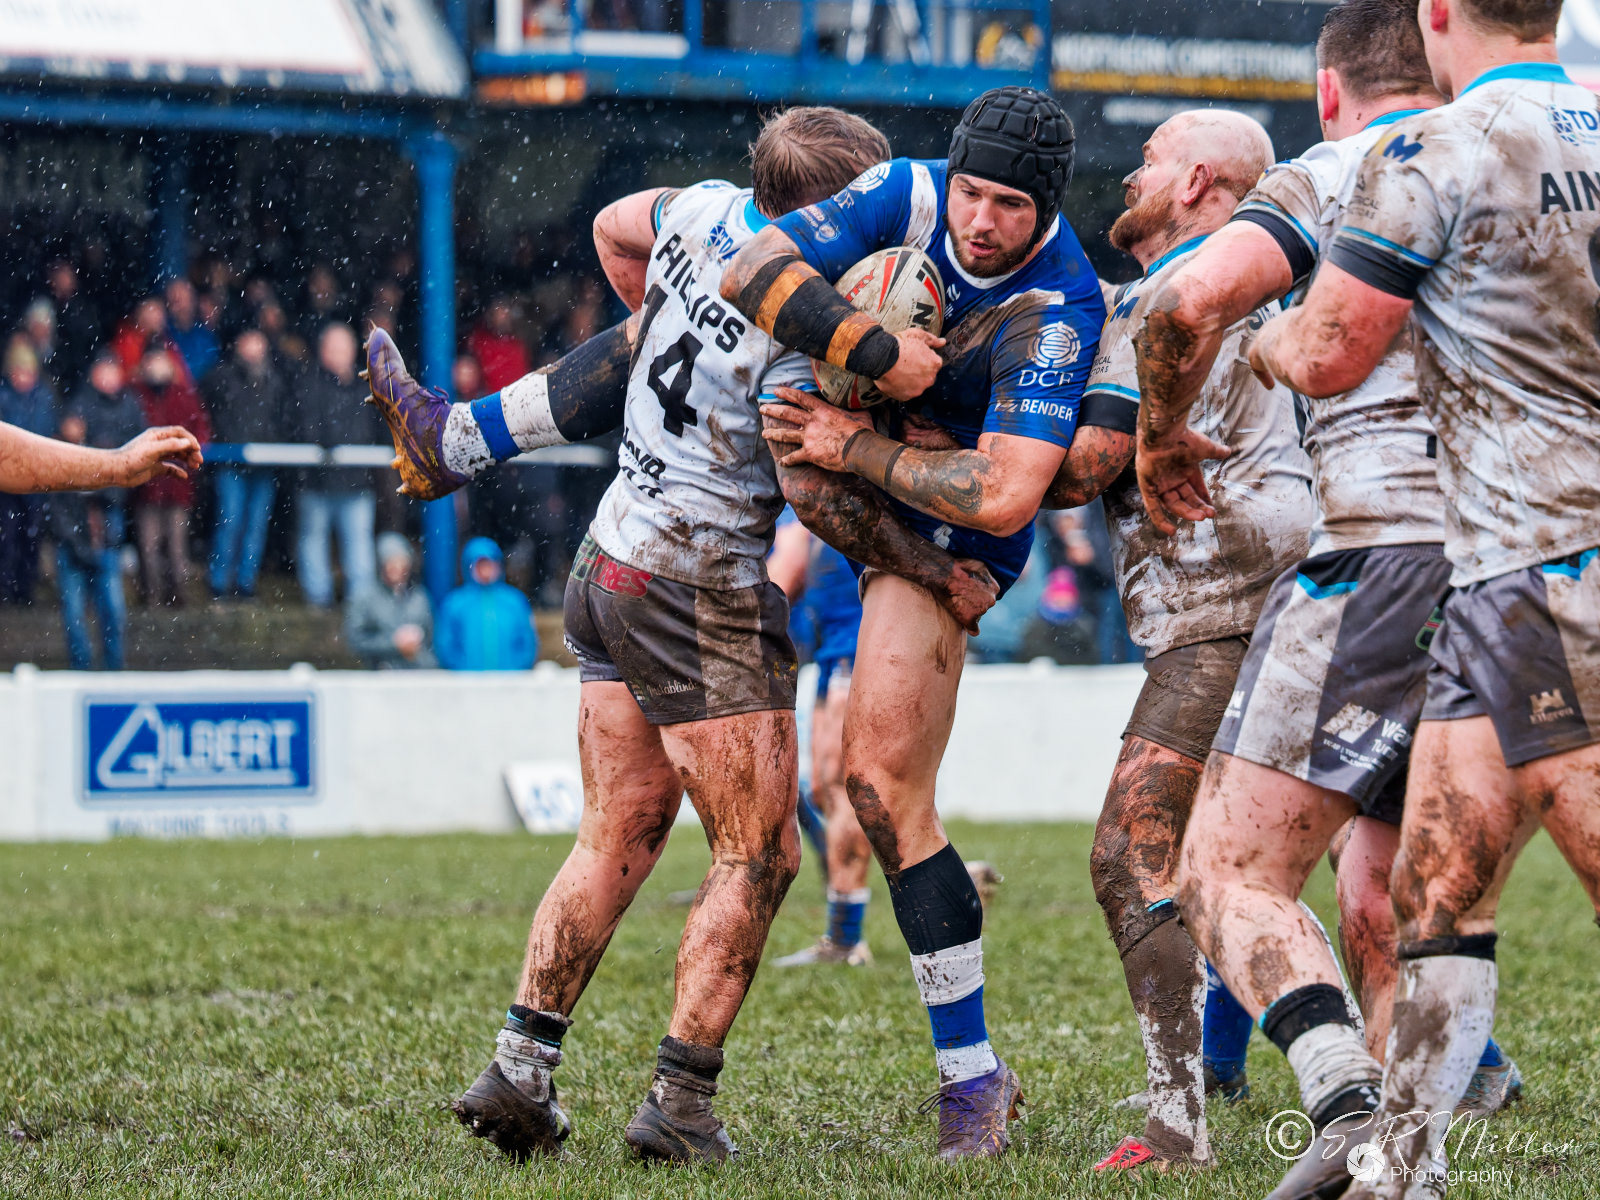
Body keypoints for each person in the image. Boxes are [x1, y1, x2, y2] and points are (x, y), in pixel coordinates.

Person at [368, 107, 996, 1166]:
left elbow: (615, 226)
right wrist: (936, 566)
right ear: (829, 213)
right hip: (694, 582)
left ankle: (519, 1071)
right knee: (760, 852)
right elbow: (814, 496)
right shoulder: (807, 319)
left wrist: (668, 324)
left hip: (607, 555)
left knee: (616, 830)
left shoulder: (701, 212)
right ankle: (680, 1102)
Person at [1226, 1, 1600, 1192]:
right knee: (1433, 887)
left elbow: (1327, 353)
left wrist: (1264, 341)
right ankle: (1403, 1165)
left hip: (1549, 560)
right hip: (1493, 572)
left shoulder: (1438, 144)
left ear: (1437, 12)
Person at [735, 86, 1104, 1159]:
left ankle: (972, 1079)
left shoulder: (1058, 305)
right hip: (858, 438)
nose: (980, 222)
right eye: (972, 193)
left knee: (880, 791)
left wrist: (855, 446)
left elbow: (1004, 495)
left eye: (1010, 207)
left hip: (944, 522)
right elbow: (749, 268)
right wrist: (872, 349)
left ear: (1047, 208)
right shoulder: (905, 192)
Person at [766, 508, 874, 966]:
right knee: (829, 791)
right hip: (842, 649)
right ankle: (951, 887)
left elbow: (779, 580)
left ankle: (846, 940)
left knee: (843, 788)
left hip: (855, 648)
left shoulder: (806, 502)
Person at [293, 323, 381, 608]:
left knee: (359, 543)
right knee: (313, 540)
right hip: (317, 481)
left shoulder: (366, 384)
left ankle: (360, 603)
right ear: (322, 351)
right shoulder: (309, 383)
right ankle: (318, 599)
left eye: (343, 348)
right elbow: (307, 427)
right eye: (333, 348)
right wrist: (332, 445)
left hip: (357, 481)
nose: (338, 354)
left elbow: (373, 427)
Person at [204, 330, 289, 601]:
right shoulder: (223, 377)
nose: (254, 350)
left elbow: (282, 418)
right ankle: (219, 582)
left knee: (256, 525)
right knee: (230, 520)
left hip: (263, 463)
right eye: (249, 343)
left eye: (258, 343)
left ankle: (245, 583)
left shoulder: (274, 380)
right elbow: (210, 411)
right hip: (230, 460)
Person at [44, 413, 130, 670]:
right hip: (71, 547)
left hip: (103, 545)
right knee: (74, 613)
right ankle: (81, 666)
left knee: (113, 612)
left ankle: (114, 667)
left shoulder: (101, 452)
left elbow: (116, 496)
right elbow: (55, 511)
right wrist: (76, 543)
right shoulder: (54, 461)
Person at [132, 347, 210, 606]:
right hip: (146, 484)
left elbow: (200, 433)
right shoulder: (136, 395)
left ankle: (178, 596)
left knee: (177, 545)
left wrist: (187, 459)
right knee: (148, 544)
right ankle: (151, 596)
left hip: (178, 483)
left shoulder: (184, 396)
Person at [0, 339, 58, 602]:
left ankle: (25, 589)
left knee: (31, 536)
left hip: (35, 478)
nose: (22, 377)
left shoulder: (44, 397)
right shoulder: (4, 396)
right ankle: (7, 588)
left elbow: (46, 431)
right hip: (8, 479)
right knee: (8, 536)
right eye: (18, 371)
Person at [435, 537, 538, 671]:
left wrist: (516, 670)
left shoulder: (514, 601)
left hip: (509, 681)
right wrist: (462, 671)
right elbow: (445, 644)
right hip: (467, 681)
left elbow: (528, 642)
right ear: (470, 566)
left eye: (490, 564)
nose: (486, 570)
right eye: (481, 565)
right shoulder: (455, 603)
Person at [345, 532, 435, 669]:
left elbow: (431, 639)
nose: (397, 568)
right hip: (380, 671)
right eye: (391, 563)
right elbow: (355, 640)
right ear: (382, 565)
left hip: (416, 671)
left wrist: (423, 657)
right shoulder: (365, 597)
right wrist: (393, 643)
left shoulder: (419, 597)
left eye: (401, 562)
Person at [467, 297, 532, 394]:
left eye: (505, 313)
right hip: (490, 398)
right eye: (499, 313)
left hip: (518, 396)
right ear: (491, 315)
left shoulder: (519, 344)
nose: (503, 317)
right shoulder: (480, 341)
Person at [165, 278, 220, 382]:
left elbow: (213, 367)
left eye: (183, 300)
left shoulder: (205, 334)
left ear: (193, 301)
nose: (180, 307)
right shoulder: (164, 334)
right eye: (175, 302)